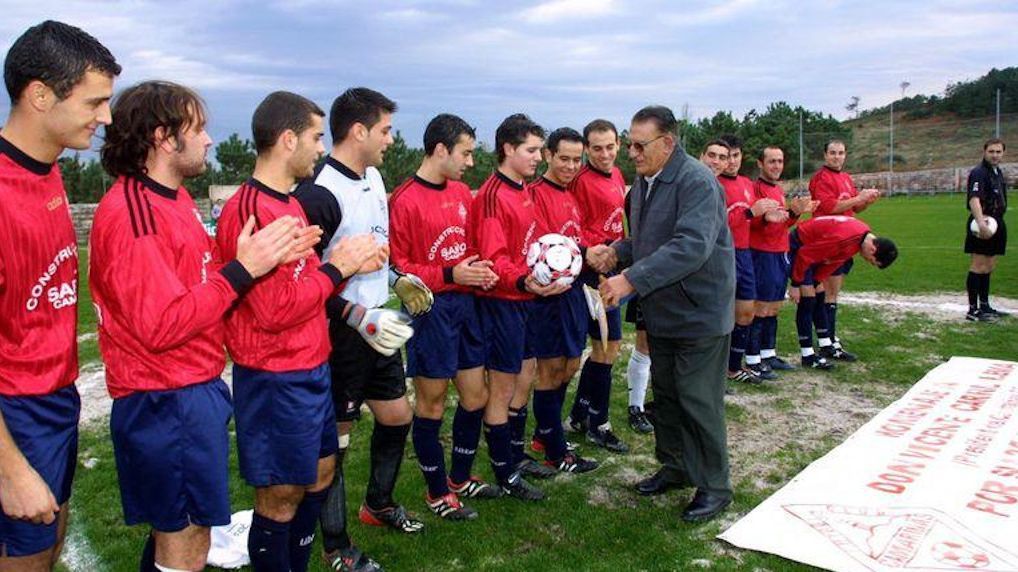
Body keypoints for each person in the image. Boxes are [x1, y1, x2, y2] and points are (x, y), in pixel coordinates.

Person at [91, 81, 321, 571]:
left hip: (191, 391)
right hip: (164, 397)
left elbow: (192, 287)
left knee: (186, 534)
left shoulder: (175, 201)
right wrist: (244, 270)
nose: (210, 140)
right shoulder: (135, 213)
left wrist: (249, 262)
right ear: (163, 137)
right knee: (184, 543)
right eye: (198, 128)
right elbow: (160, 325)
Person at [216, 91, 383, 572]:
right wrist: (338, 269)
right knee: (281, 495)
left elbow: (303, 286)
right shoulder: (247, 210)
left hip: (310, 367)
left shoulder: (289, 204)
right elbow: (272, 311)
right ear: (287, 139)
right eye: (313, 137)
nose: (319, 147)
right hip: (273, 376)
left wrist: (343, 269)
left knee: (319, 475)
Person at [0, 21, 118, 572]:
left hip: (54, 399)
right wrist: (10, 470)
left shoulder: (47, 172)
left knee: (49, 547)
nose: (106, 118)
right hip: (13, 414)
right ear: (40, 95)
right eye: (95, 102)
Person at [293, 88, 421, 572]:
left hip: (379, 325)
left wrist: (398, 279)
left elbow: (377, 249)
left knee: (396, 415)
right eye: (385, 130)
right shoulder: (319, 194)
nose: (391, 139)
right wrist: (353, 315)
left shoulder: (373, 174)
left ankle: (378, 504)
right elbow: (302, 280)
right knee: (335, 443)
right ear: (359, 131)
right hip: (341, 335)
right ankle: (335, 545)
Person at [590, 105, 734, 523]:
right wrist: (616, 252)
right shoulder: (644, 182)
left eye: (639, 145)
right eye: (629, 143)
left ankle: (715, 485)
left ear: (667, 143)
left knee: (698, 400)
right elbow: (649, 242)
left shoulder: (697, 182)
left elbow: (690, 246)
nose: (630, 152)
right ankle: (676, 466)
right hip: (664, 310)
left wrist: (629, 279)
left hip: (698, 313)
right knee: (668, 396)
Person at [389, 114, 502, 521]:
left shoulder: (460, 192)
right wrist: (452, 274)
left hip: (466, 306)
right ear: (441, 150)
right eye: (466, 153)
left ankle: (460, 477)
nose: (470, 162)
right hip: (430, 311)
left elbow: (469, 244)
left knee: (476, 396)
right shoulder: (403, 200)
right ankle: (437, 493)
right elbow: (399, 269)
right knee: (432, 405)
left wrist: (482, 266)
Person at [468, 113, 567, 501]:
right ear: (508, 149)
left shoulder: (523, 188)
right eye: (531, 150)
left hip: (526, 299)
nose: (539, 157)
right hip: (501, 304)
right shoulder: (493, 195)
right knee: (503, 387)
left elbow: (532, 243)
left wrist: (550, 265)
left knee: (525, 375)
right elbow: (494, 259)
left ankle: (514, 454)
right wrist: (526, 279)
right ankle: (505, 473)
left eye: (540, 149)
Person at [524, 127, 599, 474]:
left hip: (572, 294)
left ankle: (545, 431)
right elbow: (541, 247)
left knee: (570, 365)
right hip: (546, 297)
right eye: (564, 158)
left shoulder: (571, 195)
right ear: (549, 156)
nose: (571, 166)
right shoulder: (535, 194)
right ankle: (554, 451)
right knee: (551, 370)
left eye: (576, 159)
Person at [565, 119, 630, 452]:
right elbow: (574, 228)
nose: (605, 154)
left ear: (619, 144)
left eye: (610, 146)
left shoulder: (617, 175)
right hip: (592, 274)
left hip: (611, 269)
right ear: (587, 149)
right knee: (607, 347)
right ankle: (598, 423)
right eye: (597, 148)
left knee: (607, 348)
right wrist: (599, 255)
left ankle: (580, 414)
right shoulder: (580, 182)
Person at [789, 216, 897, 365]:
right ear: (872, 249)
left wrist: (816, 280)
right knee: (808, 300)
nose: (866, 261)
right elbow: (804, 255)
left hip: (813, 250)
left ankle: (826, 345)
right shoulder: (845, 238)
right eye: (871, 261)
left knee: (820, 295)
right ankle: (807, 355)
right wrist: (796, 284)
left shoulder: (858, 238)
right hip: (800, 246)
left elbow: (835, 261)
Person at [746, 146, 815, 378]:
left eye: (780, 161)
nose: (776, 166)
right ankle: (753, 359)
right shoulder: (754, 188)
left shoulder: (777, 190)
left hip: (780, 253)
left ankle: (768, 354)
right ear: (760, 163)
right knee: (760, 307)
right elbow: (750, 223)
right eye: (771, 161)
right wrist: (764, 218)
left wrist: (794, 213)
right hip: (762, 254)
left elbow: (782, 223)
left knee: (774, 307)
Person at [808, 139, 880, 358]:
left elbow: (855, 207)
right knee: (827, 292)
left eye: (840, 153)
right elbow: (831, 207)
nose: (837, 157)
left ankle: (830, 339)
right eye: (832, 153)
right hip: (828, 241)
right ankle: (828, 341)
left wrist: (866, 200)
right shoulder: (821, 178)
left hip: (846, 241)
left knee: (833, 293)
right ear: (825, 155)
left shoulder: (846, 178)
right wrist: (858, 198)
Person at [717, 135, 779, 384]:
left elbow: (752, 219)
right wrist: (750, 212)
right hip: (723, 254)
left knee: (745, 313)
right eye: (727, 156)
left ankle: (733, 368)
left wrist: (767, 218)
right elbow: (716, 224)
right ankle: (717, 372)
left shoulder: (746, 183)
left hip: (745, 254)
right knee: (721, 316)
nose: (732, 161)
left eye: (736, 155)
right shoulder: (713, 184)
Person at [964, 138, 1008, 321]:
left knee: (989, 266)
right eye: (991, 151)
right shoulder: (979, 173)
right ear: (984, 152)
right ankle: (973, 310)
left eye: (998, 152)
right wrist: (981, 223)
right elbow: (974, 199)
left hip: (997, 222)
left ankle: (985, 305)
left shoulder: (997, 172)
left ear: (1003, 153)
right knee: (978, 266)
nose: (995, 155)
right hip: (983, 222)